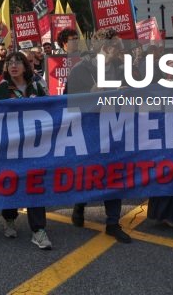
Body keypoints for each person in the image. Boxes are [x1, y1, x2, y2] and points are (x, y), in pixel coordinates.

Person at [65, 28, 132, 243]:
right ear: (107, 48)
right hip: (89, 129)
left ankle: (113, 222)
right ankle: (79, 206)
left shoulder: (122, 68)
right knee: (88, 172)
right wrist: (101, 89)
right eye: (119, 48)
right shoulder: (80, 70)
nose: (123, 52)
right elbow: (72, 103)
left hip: (115, 127)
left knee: (115, 172)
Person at [0, 52, 53, 249]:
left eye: (18, 62)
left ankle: (38, 230)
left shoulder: (37, 86)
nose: (13, 65)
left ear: (26, 66)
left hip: (34, 146)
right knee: (12, 183)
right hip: (11, 146)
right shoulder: (2, 89)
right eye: (10, 63)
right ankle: (9, 218)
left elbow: (51, 107)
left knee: (35, 184)